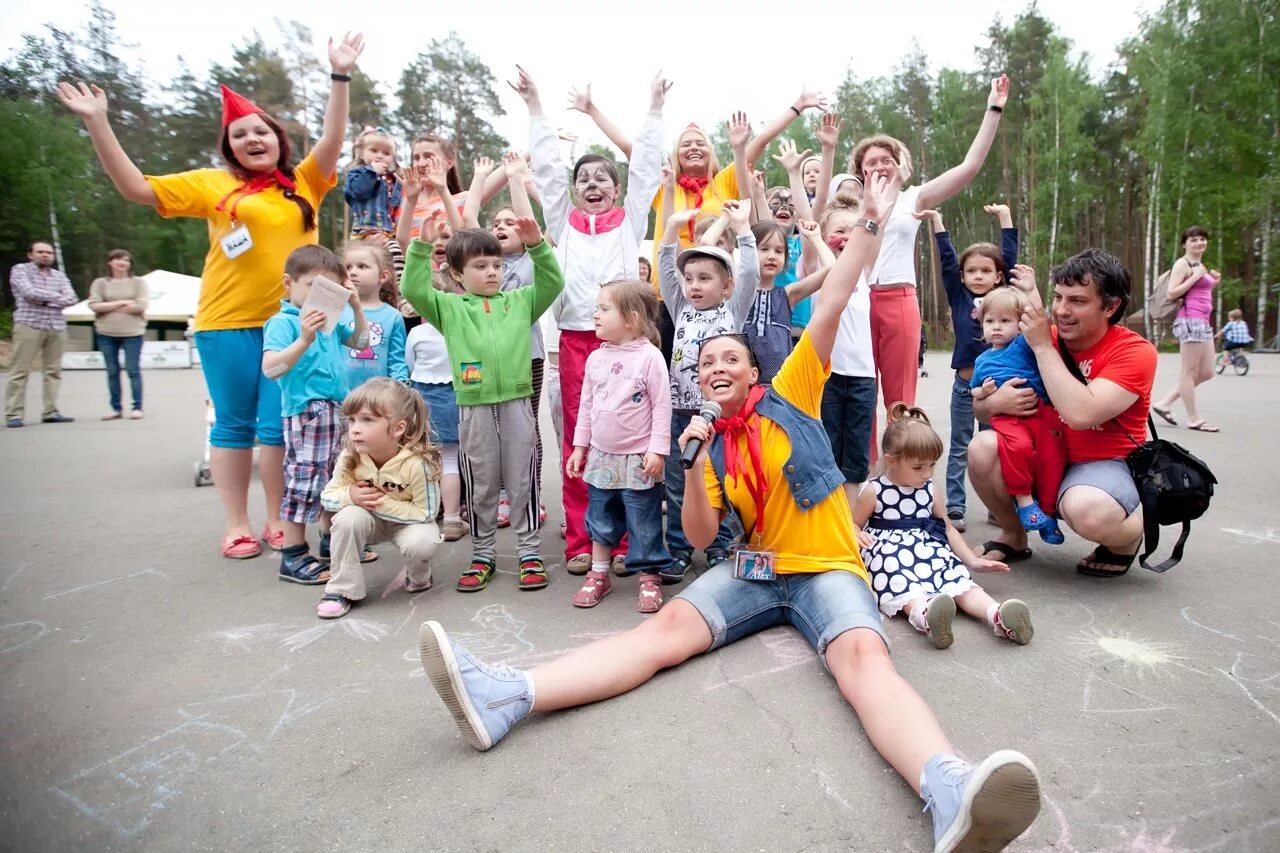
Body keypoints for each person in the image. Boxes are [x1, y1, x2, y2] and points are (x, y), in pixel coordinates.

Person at [414, 172, 1043, 853]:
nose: (716, 365)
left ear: (753, 371)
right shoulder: (707, 445)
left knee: (864, 657)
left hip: (828, 565)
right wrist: (691, 465)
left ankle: (948, 786)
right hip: (754, 567)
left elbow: (832, 299)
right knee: (659, 638)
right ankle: (508, 696)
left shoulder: (796, 390)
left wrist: (871, 222)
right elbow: (701, 537)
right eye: (707, 360)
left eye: (730, 358)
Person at [56, 32, 363, 558]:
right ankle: (236, 523)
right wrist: (97, 122)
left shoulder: (304, 182)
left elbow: (333, 139)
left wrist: (339, 76)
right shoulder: (210, 184)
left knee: (276, 427)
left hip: (293, 321)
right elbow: (136, 188)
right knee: (234, 423)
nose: (253, 139)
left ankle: (276, 519)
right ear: (229, 146)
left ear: (278, 139)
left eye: (262, 131)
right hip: (226, 322)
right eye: (241, 134)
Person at [514, 65, 666, 576]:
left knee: (631, 447)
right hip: (578, 345)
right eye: (584, 179)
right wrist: (536, 105)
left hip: (632, 350)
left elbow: (645, 164)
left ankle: (625, 542)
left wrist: (655, 108)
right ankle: (583, 540)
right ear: (573, 190)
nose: (592, 183)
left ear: (618, 188)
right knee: (582, 444)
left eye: (603, 177)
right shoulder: (562, 224)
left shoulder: (632, 221)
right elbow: (548, 168)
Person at [400, 217, 565, 592]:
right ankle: (483, 555)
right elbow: (412, 286)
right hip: (473, 408)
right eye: (480, 266)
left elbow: (554, 281)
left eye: (496, 265)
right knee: (482, 483)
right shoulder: (450, 308)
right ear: (458, 274)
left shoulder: (520, 302)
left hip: (517, 403)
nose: (492, 272)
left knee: (523, 478)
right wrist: (421, 248)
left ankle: (530, 554)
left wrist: (538, 245)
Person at [970, 249, 1157, 577]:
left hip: (1100, 463)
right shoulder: (1038, 337)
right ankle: (1014, 536)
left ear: (1110, 307)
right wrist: (995, 403)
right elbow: (981, 410)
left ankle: (1128, 535)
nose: (1061, 310)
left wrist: (1043, 347)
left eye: (1078, 301)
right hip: (1042, 449)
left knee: (1087, 511)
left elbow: (1081, 414)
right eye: (1058, 297)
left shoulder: (1133, 352)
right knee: (981, 449)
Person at [851, 74, 1009, 416]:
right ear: (859, 171)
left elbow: (969, 168)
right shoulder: (849, 206)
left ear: (899, 163)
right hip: (859, 301)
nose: (879, 165)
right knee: (860, 395)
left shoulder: (913, 197)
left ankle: (902, 466)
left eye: (886, 159)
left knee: (900, 398)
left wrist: (993, 108)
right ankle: (862, 468)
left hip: (899, 299)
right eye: (871, 162)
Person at [853, 404, 1033, 649]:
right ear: (891, 461)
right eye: (918, 467)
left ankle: (997, 615)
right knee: (899, 579)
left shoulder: (929, 490)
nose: (927, 474)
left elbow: (947, 528)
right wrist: (857, 534)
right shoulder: (874, 491)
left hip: (926, 549)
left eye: (932, 466)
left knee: (956, 578)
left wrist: (971, 560)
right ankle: (926, 615)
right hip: (887, 552)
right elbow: (854, 523)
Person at [658, 201, 760, 582]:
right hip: (681, 414)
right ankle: (680, 548)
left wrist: (743, 229)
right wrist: (670, 229)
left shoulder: (732, 309)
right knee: (678, 481)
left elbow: (749, 271)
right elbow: (667, 269)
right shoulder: (680, 306)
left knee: (720, 479)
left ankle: (720, 546)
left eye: (705, 278)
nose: (695, 285)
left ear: (726, 286)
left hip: (720, 416)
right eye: (691, 279)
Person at [262, 246, 369, 584]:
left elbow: (362, 342)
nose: (320, 297)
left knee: (334, 476)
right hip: (306, 412)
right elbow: (271, 369)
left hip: (337, 409)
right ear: (288, 283)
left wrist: (354, 305)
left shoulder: (331, 321)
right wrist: (305, 338)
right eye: (312, 286)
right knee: (304, 481)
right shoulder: (283, 322)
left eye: (331, 290)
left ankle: (329, 539)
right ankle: (292, 553)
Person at [565, 280, 673, 612]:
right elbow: (586, 404)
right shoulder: (597, 358)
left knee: (644, 521)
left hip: (639, 458)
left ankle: (649, 576)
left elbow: (661, 406)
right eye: (597, 308)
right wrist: (580, 447)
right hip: (601, 456)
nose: (595, 315)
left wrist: (656, 450)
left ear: (632, 318)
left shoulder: (649, 357)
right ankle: (599, 574)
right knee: (600, 517)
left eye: (603, 308)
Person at [913, 204, 1018, 531]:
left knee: (994, 449)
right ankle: (956, 507)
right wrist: (938, 222)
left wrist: (1005, 217)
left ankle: (996, 506)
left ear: (998, 276)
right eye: (972, 271)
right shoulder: (959, 296)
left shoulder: (1004, 297)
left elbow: (1010, 258)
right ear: (963, 276)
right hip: (964, 388)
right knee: (959, 447)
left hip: (998, 391)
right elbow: (946, 260)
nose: (978, 276)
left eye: (986, 271)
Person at [317, 378, 443, 619]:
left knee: (424, 540)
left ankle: (418, 575)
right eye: (352, 419)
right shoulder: (350, 456)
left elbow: (426, 512)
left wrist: (380, 502)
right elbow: (328, 498)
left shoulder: (416, 464)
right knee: (346, 519)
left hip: (405, 523)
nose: (354, 428)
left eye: (367, 420)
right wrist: (351, 495)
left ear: (397, 428)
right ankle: (341, 590)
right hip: (368, 521)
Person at [969, 282, 1066, 545]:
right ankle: (1024, 501)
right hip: (1008, 419)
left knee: (1049, 460)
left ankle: (1046, 514)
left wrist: (1032, 289)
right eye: (990, 321)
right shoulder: (982, 360)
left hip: (1041, 413)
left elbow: (1037, 317)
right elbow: (974, 391)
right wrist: (985, 391)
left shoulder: (1023, 345)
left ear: (1019, 325)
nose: (997, 326)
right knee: (1020, 448)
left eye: (1005, 320)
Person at [1151, 226, 1221, 432]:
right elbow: (1172, 293)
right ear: (1185, 244)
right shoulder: (1183, 264)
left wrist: (1214, 280)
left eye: (1202, 239)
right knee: (1189, 372)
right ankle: (1194, 419)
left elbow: (1199, 291)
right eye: (1194, 240)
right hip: (1191, 321)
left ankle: (1164, 403)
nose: (1199, 243)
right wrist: (1196, 275)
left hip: (1203, 322)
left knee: (1207, 372)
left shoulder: (1199, 264)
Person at [6, 240, 79, 427]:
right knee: (20, 370)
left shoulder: (59, 276)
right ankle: (14, 413)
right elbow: (28, 293)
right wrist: (57, 298)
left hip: (55, 326)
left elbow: (72, 298)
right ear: (31, 254)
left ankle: (50, 411)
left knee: (53, 371)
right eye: (40, 252)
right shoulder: (20, 270)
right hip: (29, 325)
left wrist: (44, 300)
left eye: (49, 252)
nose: (45, 255)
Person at [88, 249, 149, 420]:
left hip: (133, 332)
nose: (122, 263)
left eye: (126, 260)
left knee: (133, 369)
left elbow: (141, 306)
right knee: (112, 371)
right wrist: (123, 302)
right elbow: (94, 305)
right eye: (118, 259)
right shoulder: (100, 283)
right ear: (110, 262)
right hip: (106, 332)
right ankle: (116, 408)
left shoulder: (138, 283)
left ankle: (137, 407)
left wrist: (109, 305)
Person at [340, 241, 407, 391]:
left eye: (362, 266)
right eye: (348, 267)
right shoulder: (337, 310)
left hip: (377, 400)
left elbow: (396, 360)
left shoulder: (393, 316)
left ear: (383, 276)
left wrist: (401, 387)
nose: (353, 272)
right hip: (339, 397)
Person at [343, 127, 403, 236]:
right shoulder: (356, 173)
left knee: (396, 253)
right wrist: (372, 171)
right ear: (361, 154)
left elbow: (397, 205)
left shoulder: (394, 179)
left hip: (389, 232)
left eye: (386, 153)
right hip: (364, 231)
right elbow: (359, 192)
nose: (380, 156)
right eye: (374, 150)